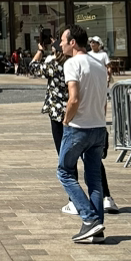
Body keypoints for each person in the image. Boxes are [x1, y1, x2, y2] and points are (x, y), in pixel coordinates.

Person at [56, 25, 110, 243]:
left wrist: (66, 120)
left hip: (78, 127)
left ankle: (89, 219)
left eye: (63, 40)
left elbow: (74, 98)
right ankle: (97, 229)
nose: (60, 44)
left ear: (72, 42)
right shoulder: (99, 64)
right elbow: (104, 100)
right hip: (98, 126)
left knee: (64, 171)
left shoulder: (72, 63)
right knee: (94, 179)